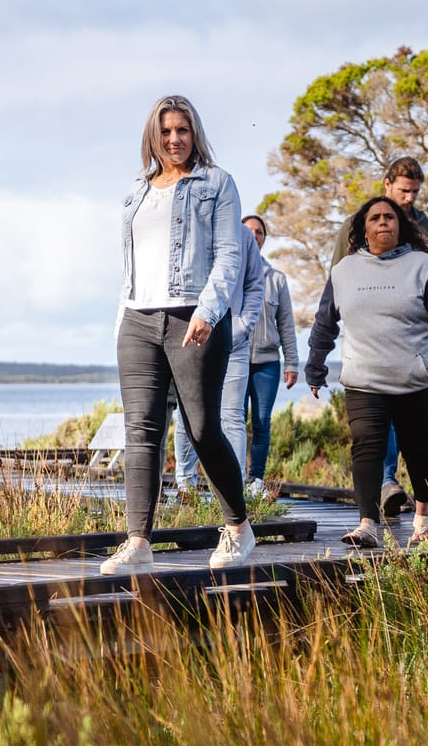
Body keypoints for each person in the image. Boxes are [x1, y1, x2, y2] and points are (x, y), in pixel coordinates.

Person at [100, 94, 255, 576]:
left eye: (182, 130)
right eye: (165, 131)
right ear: (153, 136)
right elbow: (132, 265)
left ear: (195, 133)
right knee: (141, 430)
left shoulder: (217, 184)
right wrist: (122, 320)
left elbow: (231, 256)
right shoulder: (136, 192)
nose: (174, 140)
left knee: (202, 426)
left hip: (195, 316)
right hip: (138, 318)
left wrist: (209, 310)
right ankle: (138, 541)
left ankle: (238, 527)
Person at [303, 194, 428, 547]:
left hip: (414, 378)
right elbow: (324, 322)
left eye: (389, 217)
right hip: (364, 377)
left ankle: (423, 520)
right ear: (363, 229)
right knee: (366, 446)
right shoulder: (344, 271)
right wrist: (316, 366)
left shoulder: (422, 265)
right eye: (375, 217)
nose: (383, 222)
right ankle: (367, 524)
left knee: (417, 448)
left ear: (401, 226)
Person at [326, 157, 428, 520]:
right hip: (368, 341)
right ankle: (386, 483)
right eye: (403, 190)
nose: (409, 198)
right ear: (387, 184)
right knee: (373, 426)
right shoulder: (358, 223)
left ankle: (413, 500)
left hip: (412, 342)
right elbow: (336, 278)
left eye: (414, 192)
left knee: (414, 434)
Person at [169, 217, 266, 491]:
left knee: (232, 416)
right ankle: (185, 486)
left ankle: (232, 489)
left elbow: (255, 285)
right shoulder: (188, 228)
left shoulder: (244, 237)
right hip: (189, 338)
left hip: (233, 341)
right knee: (187, 414)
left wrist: (240, 328)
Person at [240, 213, 298, 491]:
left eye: (259, 232)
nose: (254, 236)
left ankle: (256, 480)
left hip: (267, 364)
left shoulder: (276, 279)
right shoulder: (227, 274)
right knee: (234, 420)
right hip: (235, 361)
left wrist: (292, 363)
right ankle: (235, 477)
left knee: (262, 422)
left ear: (264, 239)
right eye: (248, 231)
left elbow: (286, 323)